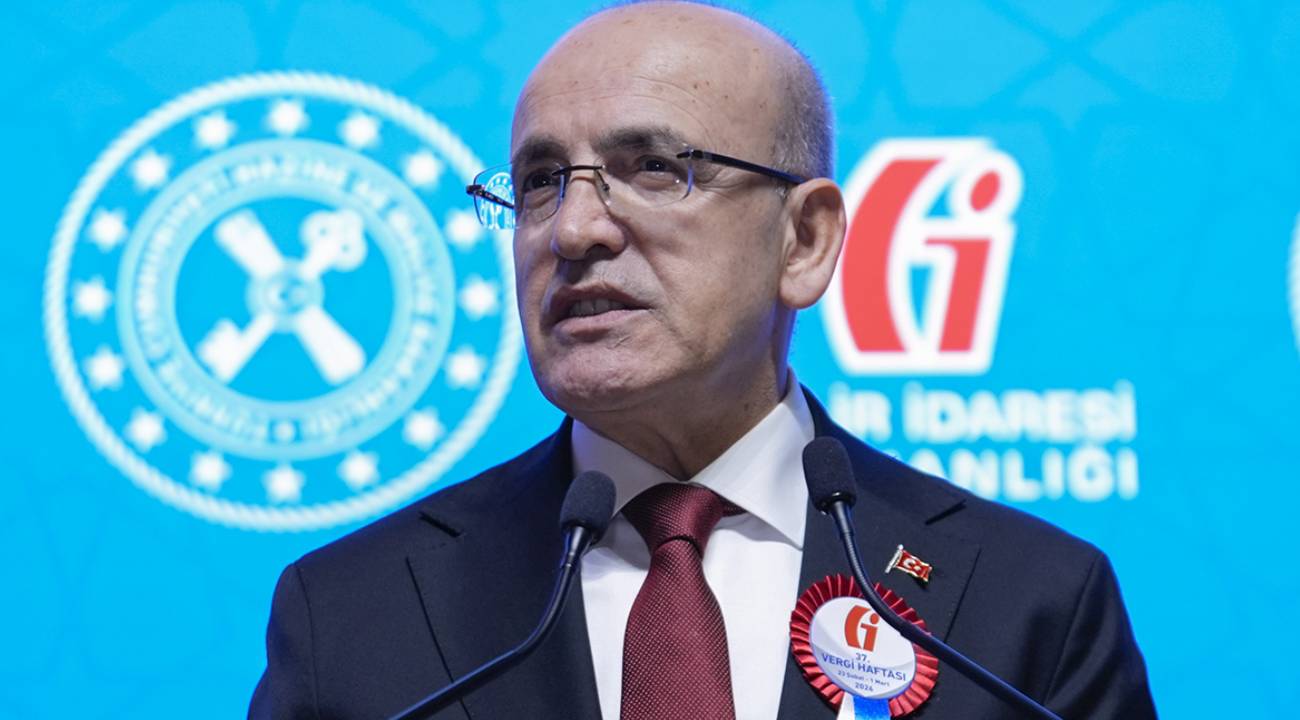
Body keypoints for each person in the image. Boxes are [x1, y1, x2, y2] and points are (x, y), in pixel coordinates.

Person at [250, 2, 1157, 718]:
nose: (573, 229)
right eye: (539, 182)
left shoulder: (1029, 605)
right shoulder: (351, 613)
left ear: (805, 240)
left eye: (653, 168)